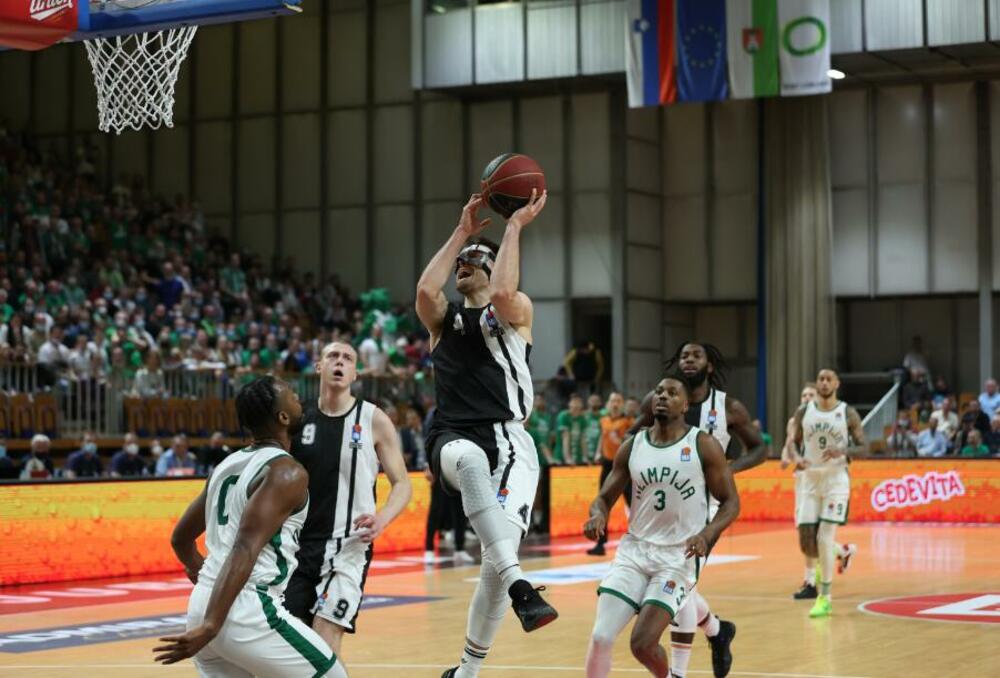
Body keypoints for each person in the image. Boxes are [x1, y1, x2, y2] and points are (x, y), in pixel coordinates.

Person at [416, 189, 557, 678]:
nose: (465, 263)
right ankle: (523, 587)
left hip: (513, 444)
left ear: (497, 266)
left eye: (476, 258)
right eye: (463, 260)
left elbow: (501, 292)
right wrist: (462, 232)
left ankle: (467, 672)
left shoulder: (513, 312)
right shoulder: (444, 321)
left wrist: (513, 226)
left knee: (493, 571)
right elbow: (423, 294)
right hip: (454, 435)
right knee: (471, 462)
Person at [153, 376, 348, 677]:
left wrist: (207, 586)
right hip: (246, 609)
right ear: (283, 417)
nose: (298, 397)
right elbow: (244, 547)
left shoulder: (226, 466)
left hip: (203, 602)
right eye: (292, 396)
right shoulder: (287, 472)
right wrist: (213, 624)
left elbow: (180, 539)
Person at [583, 373, 740, 678]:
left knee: (642, 644)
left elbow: (731, 502)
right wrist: (598, 514)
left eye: (671, 393)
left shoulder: (703, 445)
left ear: (686, 405)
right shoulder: (633, 445)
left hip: (678, 557)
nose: (663, 396)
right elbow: (603, 497)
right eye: (658, 391)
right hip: (634, 551)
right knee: (601, 637)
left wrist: (707, 534)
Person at [628, 342, 765, 678]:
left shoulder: (727, 406)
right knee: (682, 583)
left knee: (680, 580)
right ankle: (718, 631)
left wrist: (730, 469)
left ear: (709, 367)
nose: (689, 360)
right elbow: (631, 443)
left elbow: (760, 448)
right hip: (665, 502)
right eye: (684, 355)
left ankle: (678, 672)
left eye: (696, 355)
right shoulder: (655, 400)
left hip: (707, 506)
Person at [283, 341, 412, 660]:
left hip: (349, 546)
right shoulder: (300, 420)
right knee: (290, 642)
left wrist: (381, 519)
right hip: (299, 547)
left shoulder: (373, 419)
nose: (339, 362)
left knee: (326, 635)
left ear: (355, 372)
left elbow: (403, 483)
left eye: (347, 358)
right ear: (319, 367)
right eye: (332, 356)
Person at [791, 368, 868, 618]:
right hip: (810, 479)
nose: (824, 383)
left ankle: (824, 597)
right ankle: (843, 552)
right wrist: (796, 457)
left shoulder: (847, 412)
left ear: (836, 383)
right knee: (807, 543)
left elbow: (864, 446)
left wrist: (843, 451)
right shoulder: (804, 411)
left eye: (828, 379)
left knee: (824, 538)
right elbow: (792, 442)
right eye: (820, 379)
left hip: (835, 480)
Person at [781, 383, 821, 598]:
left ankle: (810, 581)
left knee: (813, 531)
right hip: (802, 479)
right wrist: (786, 458)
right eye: (804, 394)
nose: (806, 397)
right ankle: (843, 551)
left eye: (810, 394)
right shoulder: (794, 421)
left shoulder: (824, 419)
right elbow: (789, 444)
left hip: (820, 478)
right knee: (805, 530)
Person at [587, 392, 632, 556]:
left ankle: (640, 539)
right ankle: (600, 543)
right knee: (603, 503)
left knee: (633, 503)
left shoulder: (628, 421)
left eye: (618, 401)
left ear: (622, 404)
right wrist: (598, 452)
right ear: (608, 403)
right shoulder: (603, 420)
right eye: (613, 400)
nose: (615, 403)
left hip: (624, 466)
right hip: (607, 465)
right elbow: (602, 437)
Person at [526, 393, 556, 534]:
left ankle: (535, 522)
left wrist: (550, 459)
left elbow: (544, 444)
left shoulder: (537, 429)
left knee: (537, 492)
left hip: (536, 464)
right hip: (519, 466)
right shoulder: (532, 416)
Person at [555, 395, 588, 465]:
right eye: (574, 403)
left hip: (577, 457)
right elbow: (565, 437)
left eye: (578, 403)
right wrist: (567, 458)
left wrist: (585, 457)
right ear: (569, 404)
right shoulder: (564, 416)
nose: (576, 405)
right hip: (562, 457)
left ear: (581, 405)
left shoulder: (582, 418)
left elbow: (583, 439)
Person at [584, 394, 605, 465]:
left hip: (598, 451)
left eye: (596, 401)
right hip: (585, 449)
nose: (594, 402)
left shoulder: (603, 417)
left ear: (600, 403)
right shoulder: (583, 416)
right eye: (592, 400)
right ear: (588, 402)